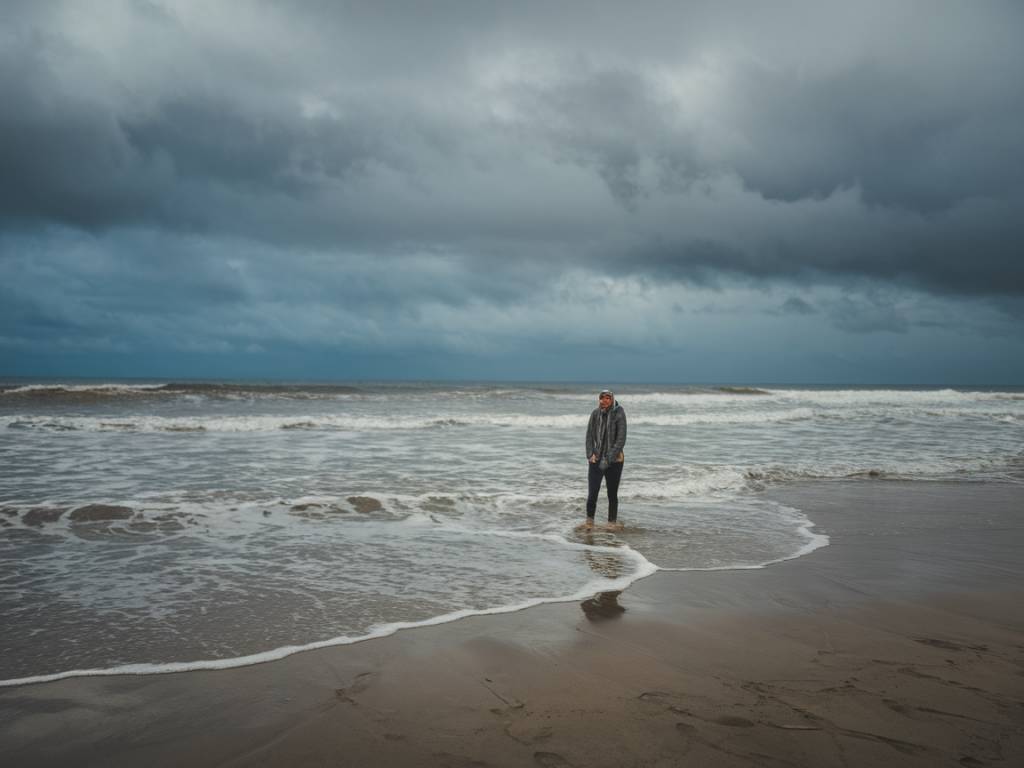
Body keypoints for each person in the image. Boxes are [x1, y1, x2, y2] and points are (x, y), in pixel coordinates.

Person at [584, 389, 627, 530]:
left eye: (608, 398)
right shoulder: (595, 414)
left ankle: (611, 524)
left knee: (612, 494)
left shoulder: (619, 413)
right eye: (602, 398)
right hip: (596, 459)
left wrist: (608, 459)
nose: (605, 400)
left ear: (612, 399)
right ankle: (589, 523)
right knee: (592, 493)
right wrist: (590, 454)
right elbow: (589, 436)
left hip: (615, 461)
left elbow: (621, 440)